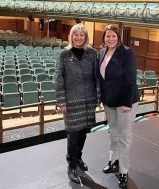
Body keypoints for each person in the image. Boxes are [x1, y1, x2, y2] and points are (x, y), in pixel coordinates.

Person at [55, 23, 99, 184]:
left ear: (85, 37)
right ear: (71, 37)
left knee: (83, 133)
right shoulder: (64, 55)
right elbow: (58, 79)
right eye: (76, 35)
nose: (79, 38)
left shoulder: (92, 53)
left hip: (88, 102)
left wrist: (97, 98)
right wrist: (61, 101)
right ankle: (71, 165)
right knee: (73, 135)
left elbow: (97, 77)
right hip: (72, 102)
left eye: (82, 35)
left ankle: (78, 157)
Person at [96, 25, 139, 189]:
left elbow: (130, 80)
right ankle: (113, 161)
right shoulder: (101, 53)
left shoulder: (127, 53)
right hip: (109, 102)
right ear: (104, 38)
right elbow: (101, 79)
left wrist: (127, 102)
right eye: (108, 36)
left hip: (125, 102)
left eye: (114, 36)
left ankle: (124, 171)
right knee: (113, 133)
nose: (111, 39)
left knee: (124, 137)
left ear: (118, 38)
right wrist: (102, 100)